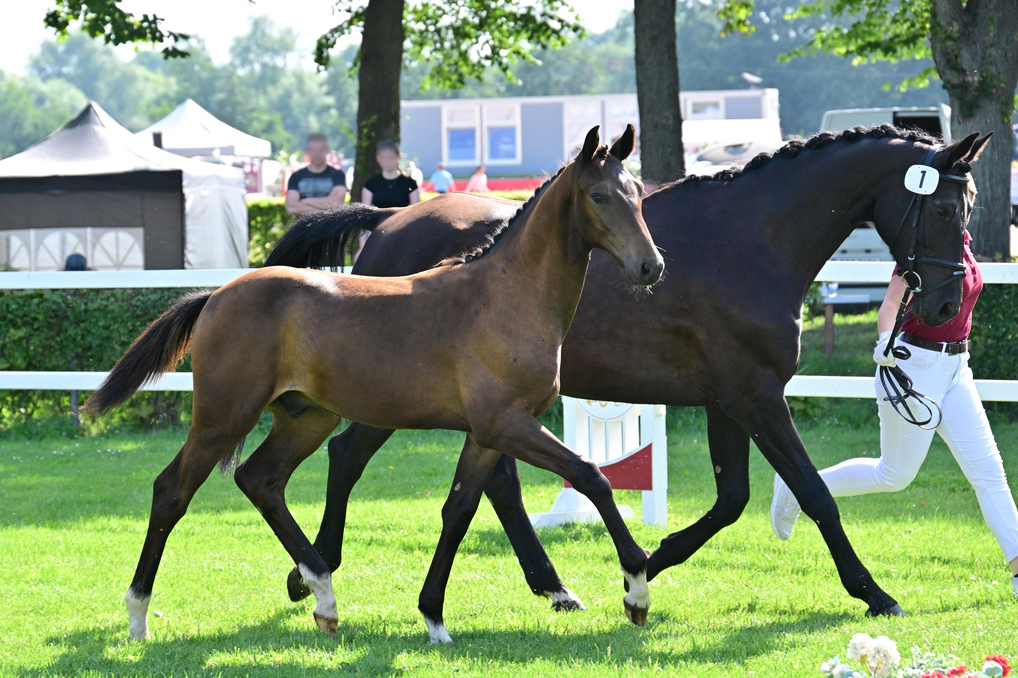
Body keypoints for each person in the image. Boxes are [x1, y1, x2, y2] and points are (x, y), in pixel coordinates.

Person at [771, 209, 1018, 595]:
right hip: (912, 366)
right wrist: (884, 342)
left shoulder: (964, 245)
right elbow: (889, 308)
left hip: (957, 368)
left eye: (967, 199)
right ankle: (797, 486)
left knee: (989, 472)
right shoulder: (920, 248)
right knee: (894, 475)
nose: (964, 208)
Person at [285, 133, 347, 216]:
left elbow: (336, 203)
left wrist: (305, 201)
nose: (317, 153)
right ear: (307, 151)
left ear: (327, 150)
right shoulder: (296, 177)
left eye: (320, 149)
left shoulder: (338, 175)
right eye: (313, 150)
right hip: (304, 228)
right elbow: (291, 207)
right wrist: (326, 210)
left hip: (331, 228)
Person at [361, 140, 420, 209]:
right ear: (377, 158)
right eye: (383, 157)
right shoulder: (370, 184)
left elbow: (415, 212)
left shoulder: (410, 184)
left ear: (398, 157)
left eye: (391, 157)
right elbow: (366, 214)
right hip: (378, 220)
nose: (387, 161)